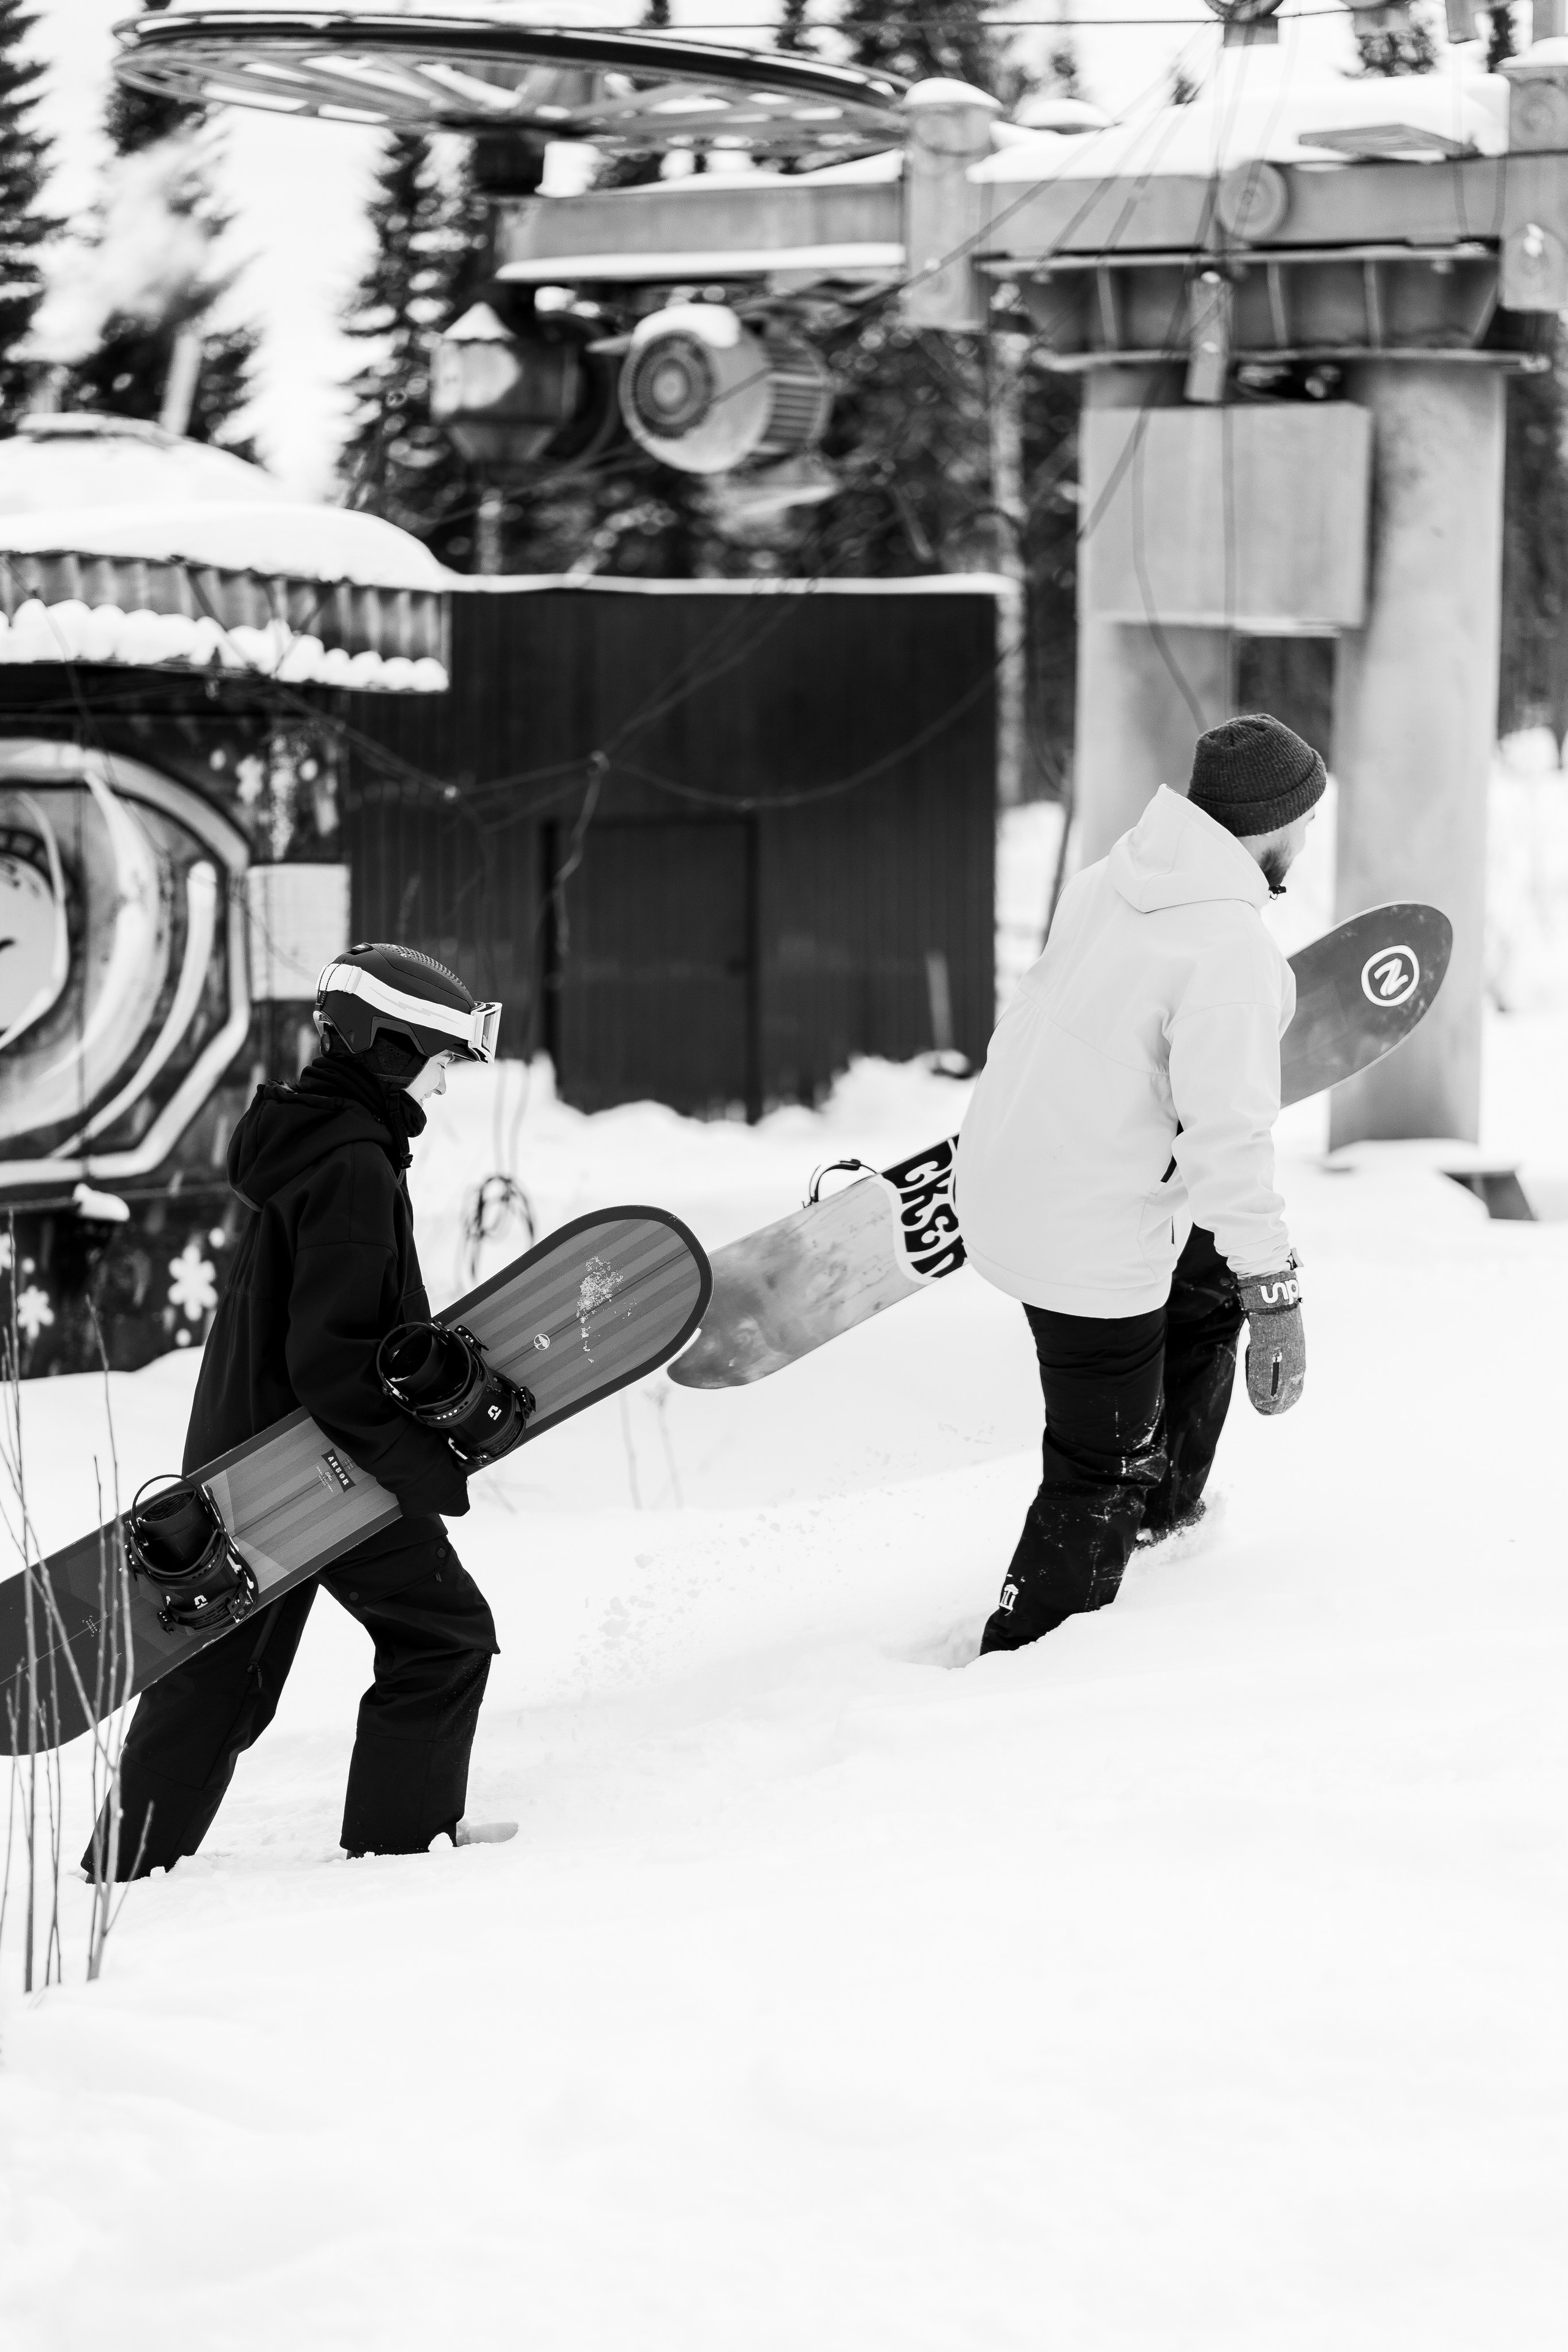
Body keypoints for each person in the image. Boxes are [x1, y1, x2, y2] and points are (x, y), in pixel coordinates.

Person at [85, 944, 511, 1875]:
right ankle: (404, 1847)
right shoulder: (353, 1168)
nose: (442, 1091)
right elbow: (335, 1362)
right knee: (442, 1637)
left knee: (223, 1678)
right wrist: (425, 1465)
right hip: (322, 1464)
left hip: (258, 1457)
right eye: (442, 1066)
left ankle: (124, 1871)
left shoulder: (315, 1146)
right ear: (394, 1052)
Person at [956, 713, 1319, 1656]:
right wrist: (1278, 1295)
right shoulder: (1228, 951)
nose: (1311, 839)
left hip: (1010, 1175)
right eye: (1307, 819)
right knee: (1095, 1460)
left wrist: (1247, 1275)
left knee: (1206, 1288)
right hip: (1084, 1232)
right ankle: (1023, 1657)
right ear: (1275, 822)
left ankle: (1161, 1522)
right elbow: (1230, 1142)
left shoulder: (1117, 875)